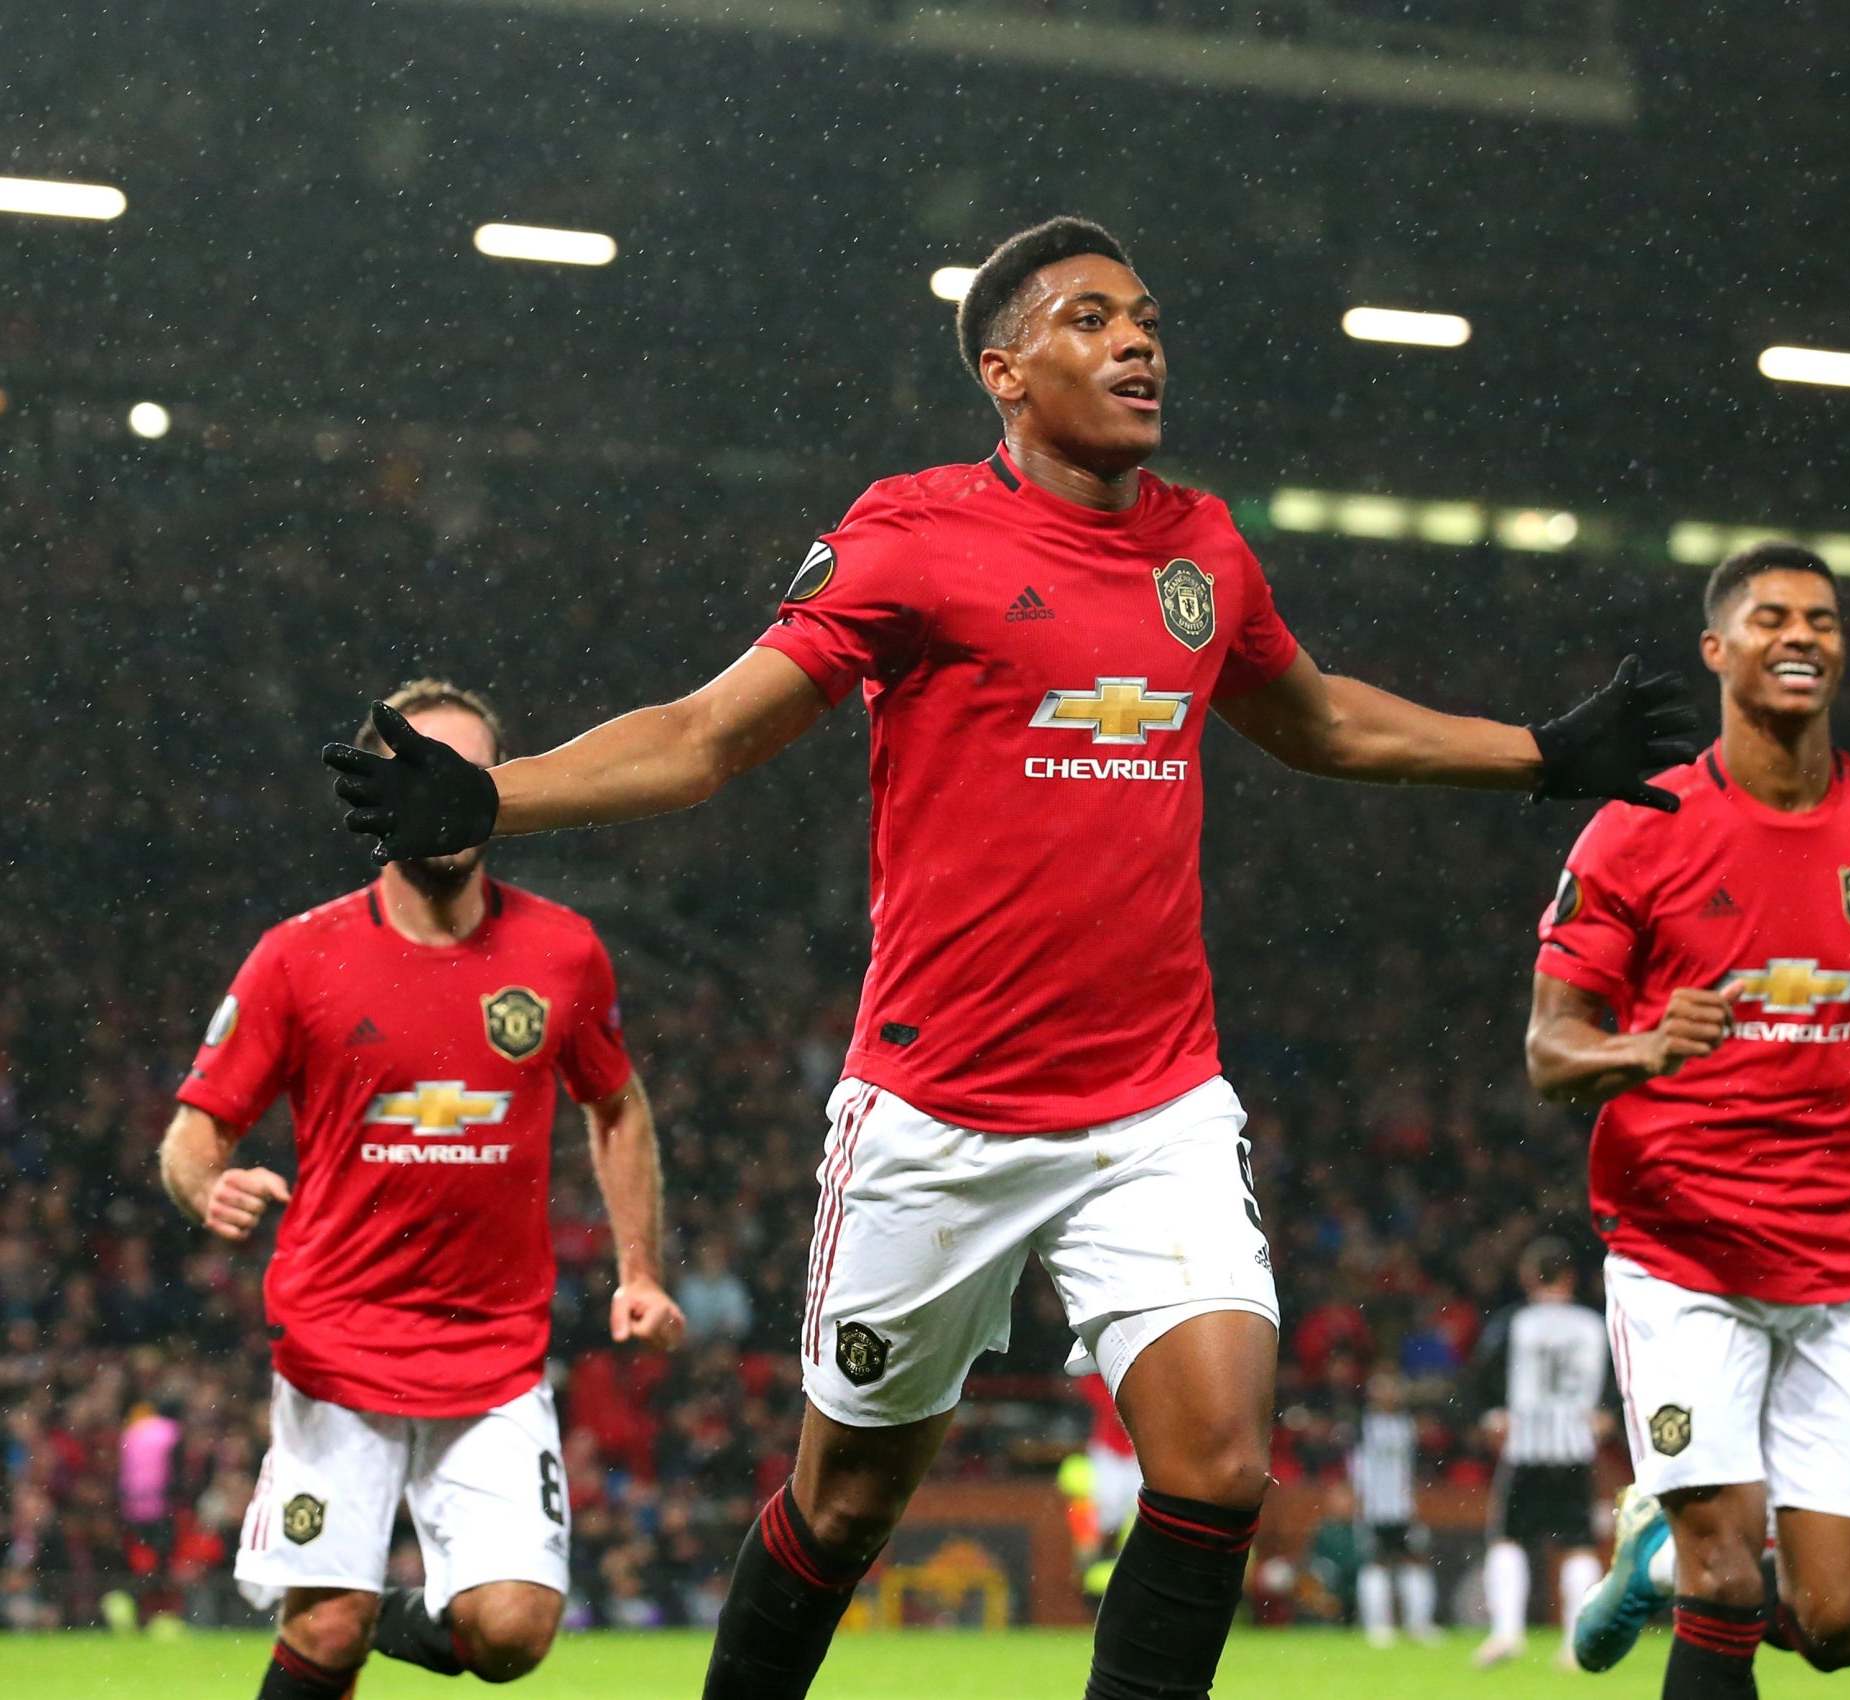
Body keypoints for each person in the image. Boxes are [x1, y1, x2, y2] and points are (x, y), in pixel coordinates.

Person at [321, 216, 1699, 1700]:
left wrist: (1541, 757)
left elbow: (1322, 718)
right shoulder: (913, 535)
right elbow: (711, 731)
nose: (1139, 343)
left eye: (1149, 318)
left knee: (1222, 1464)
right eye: (1092, 320)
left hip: (1154, 1106)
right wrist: (492, 792)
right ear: (1005, 370)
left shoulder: (1202, 546)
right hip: (937, 1116)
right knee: (842, 1509)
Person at [165, 680, 686, 1700]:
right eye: (420, 770)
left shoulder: (562, 951)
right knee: (323, 1619)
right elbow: (195, 1129)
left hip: (492, 1356)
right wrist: (203, 1186)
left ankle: (371, 1610)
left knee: (512, 1634)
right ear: (376, 791)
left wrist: (638, 1268)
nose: (446, 793)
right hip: (335, 1347)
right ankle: (341, 1606)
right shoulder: (297, 954)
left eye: (469, 773)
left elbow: (618, 1106)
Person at [1525, 542, 1850, 1700]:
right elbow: (1549, 1050)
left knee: (1838, 1625)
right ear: (1718, 650)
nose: (1801, 636)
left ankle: (1657, 1549)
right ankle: (1690, 1553)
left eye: (1821, 619)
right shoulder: (1640, 825)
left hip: (1837, 1268)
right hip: (1681, 1259)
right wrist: (1642, 1047)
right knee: (1730, 1575)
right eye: (1770, 617)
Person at [1468, 1235, 1610, 1670]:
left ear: (1528, 1276)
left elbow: (1482, 1378)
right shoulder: (1593, 1324)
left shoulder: (1513, 1322)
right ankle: (1575, 1642)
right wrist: (1607, 1413)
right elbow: (1619, 1378)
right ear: (1571, 1277)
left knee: (1508, 1539)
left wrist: (1493, 1416)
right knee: (1579, 1545)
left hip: (1525, 1446)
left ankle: (1507, 1633)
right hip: (1575, 1447)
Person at [1349, 1370, 1437, 1648]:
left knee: (1414, 1560)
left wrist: (1414, 1499)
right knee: (1376, 1562)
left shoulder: (1406, 1426)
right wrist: (1358, 1499)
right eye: (1382, 1388)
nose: (1389, 1394)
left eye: (1392, 1388)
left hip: (1403, 1507)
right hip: (1374, 1507)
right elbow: (1355, 1466)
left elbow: (1410, 1467)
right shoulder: (1362, 1426)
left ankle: (1418, 1624)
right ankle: (1378, 1627)